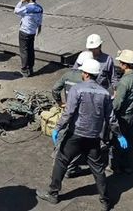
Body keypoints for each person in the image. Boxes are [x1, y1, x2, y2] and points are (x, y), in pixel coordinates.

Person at [37, 58, 125, 211]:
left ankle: (53, 194)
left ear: (85, 74)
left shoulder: (77, 89)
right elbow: (110, 118)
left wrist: (58, 128)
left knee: (61, 161)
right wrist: (119, 135)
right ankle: (105, 200)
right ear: (97, 75)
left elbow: (68, 112)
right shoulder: (104, 93)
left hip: (75, 134)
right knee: (98, 169)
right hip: (93, 137)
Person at [51, 50, 93, 178]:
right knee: (79, 141)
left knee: (64, 134)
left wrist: (60, 102)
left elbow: (55, 89)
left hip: (68, 110)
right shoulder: (88, 79)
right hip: (82, 114)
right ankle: (71, 168)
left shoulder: (67, 75)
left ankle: (58, 156)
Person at [14, 0, 43, 77]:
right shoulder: (39, 8)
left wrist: (21, 1)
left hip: (24, 31)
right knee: (30, 50)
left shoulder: (27, 8)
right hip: (32, 32)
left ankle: (24, 69)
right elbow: (39, 21)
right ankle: (31, 68)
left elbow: (16, 11)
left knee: (24, 51)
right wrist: (39, 28)